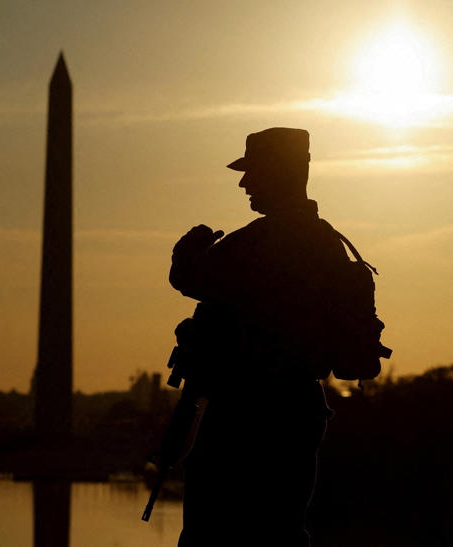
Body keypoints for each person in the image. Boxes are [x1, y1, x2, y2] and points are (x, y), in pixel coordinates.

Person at [169, 127, 366, 546]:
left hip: (246, 415)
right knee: (281, 530)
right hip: (299, 411)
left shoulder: (260, 242)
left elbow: (190, 278)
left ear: (279, 173)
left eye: (252, 172)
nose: (243, 184)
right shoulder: (327, 243)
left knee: (213, 533)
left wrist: (186, 250)